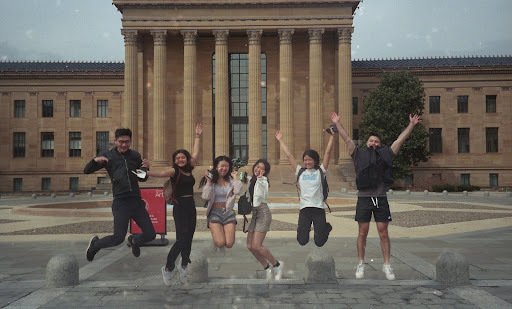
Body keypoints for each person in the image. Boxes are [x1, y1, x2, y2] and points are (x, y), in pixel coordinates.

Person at [330, 111, 422, 280]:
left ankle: (387, 265)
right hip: (364, 198)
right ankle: (360, 264)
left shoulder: (386, 154)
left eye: (376, 141)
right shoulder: (358, 154)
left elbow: (399, 140)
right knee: (362, 233)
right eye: (371, 140)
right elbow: (346, 139)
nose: (373, 143)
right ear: (367, 143)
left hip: (380, 198)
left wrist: (411, 125)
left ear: (380, 144)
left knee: (383, 233)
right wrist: (337, 123)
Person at [84, 128, 156, 262]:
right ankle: (95, 245)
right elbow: (86, 171)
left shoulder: (135, 156)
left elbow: (141, 178)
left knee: (151, 234)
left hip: (136, 201)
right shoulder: (108, 156)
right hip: (121, 202)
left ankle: (134, 240)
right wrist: (94, 161)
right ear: (115, 141)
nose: (124, 145)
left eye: (127, 142)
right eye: (121, 142)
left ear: (130, 141)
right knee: (118, 238)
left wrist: (146, 168)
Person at [143, 124, 203, 286]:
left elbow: (195, 153)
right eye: (177, 158)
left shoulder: (190, 168)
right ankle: (168, 268)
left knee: (189, 238)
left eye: (183, 157)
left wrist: (197, 136)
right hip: (180, 206)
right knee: (181, 239)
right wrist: (146, 170)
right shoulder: (173, 171)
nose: (180, 160)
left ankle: (183, 266)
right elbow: (160, 173)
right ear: (174, 161)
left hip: (191, 205)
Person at [275, 128, 335, 247]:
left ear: (315, 160)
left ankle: (326, 228)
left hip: (318, 209)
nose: (307, 162)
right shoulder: (300, 172)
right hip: (305, 210)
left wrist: (332, 136)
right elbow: (289, 155)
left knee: (319, 242)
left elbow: (327, 153)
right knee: (302, 241)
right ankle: (321, 229)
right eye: (305, 160)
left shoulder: (320, 171)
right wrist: (280, 140)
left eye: (310, 159)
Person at [244, 159, 284, 282]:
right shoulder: (253, 180)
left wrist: (261, 179)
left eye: (261, 168)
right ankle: (267, 267)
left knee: (257, 245)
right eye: (257, 167)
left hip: (263, 213)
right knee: (250, 246)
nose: (258, 169)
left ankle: (277, 264)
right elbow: (245, 180)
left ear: (265, 171)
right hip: (255, 214)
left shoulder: (263, 181)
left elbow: (263, 193)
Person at [200, 156, 242, 249]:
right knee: (220, 243)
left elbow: (238, 191)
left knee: (229, 244)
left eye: (226, 166)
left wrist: (235, 178)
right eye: (221, 166)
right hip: (214, 212)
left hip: (228, 212)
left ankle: (220, 235)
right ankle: (217, 237)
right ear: (216, 167)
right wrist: (208, 182)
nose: (224, 168)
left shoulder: (231, 180)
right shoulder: (212, 181)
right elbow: (205, 196)